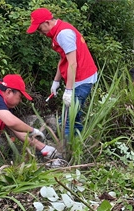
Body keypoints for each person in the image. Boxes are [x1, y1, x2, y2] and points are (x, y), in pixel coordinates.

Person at [27, 7, 98, 136]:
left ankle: (64, 152)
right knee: (74, 118)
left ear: (47, 22)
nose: (40, 32)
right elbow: (64, 58)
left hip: (82, 79)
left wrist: (69, 90)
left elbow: (72, 63)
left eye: (39, 28)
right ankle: (77, 144)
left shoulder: (63, 34)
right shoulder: (59, 30)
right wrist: (56, 81)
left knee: (66, 121)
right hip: (78, 78)